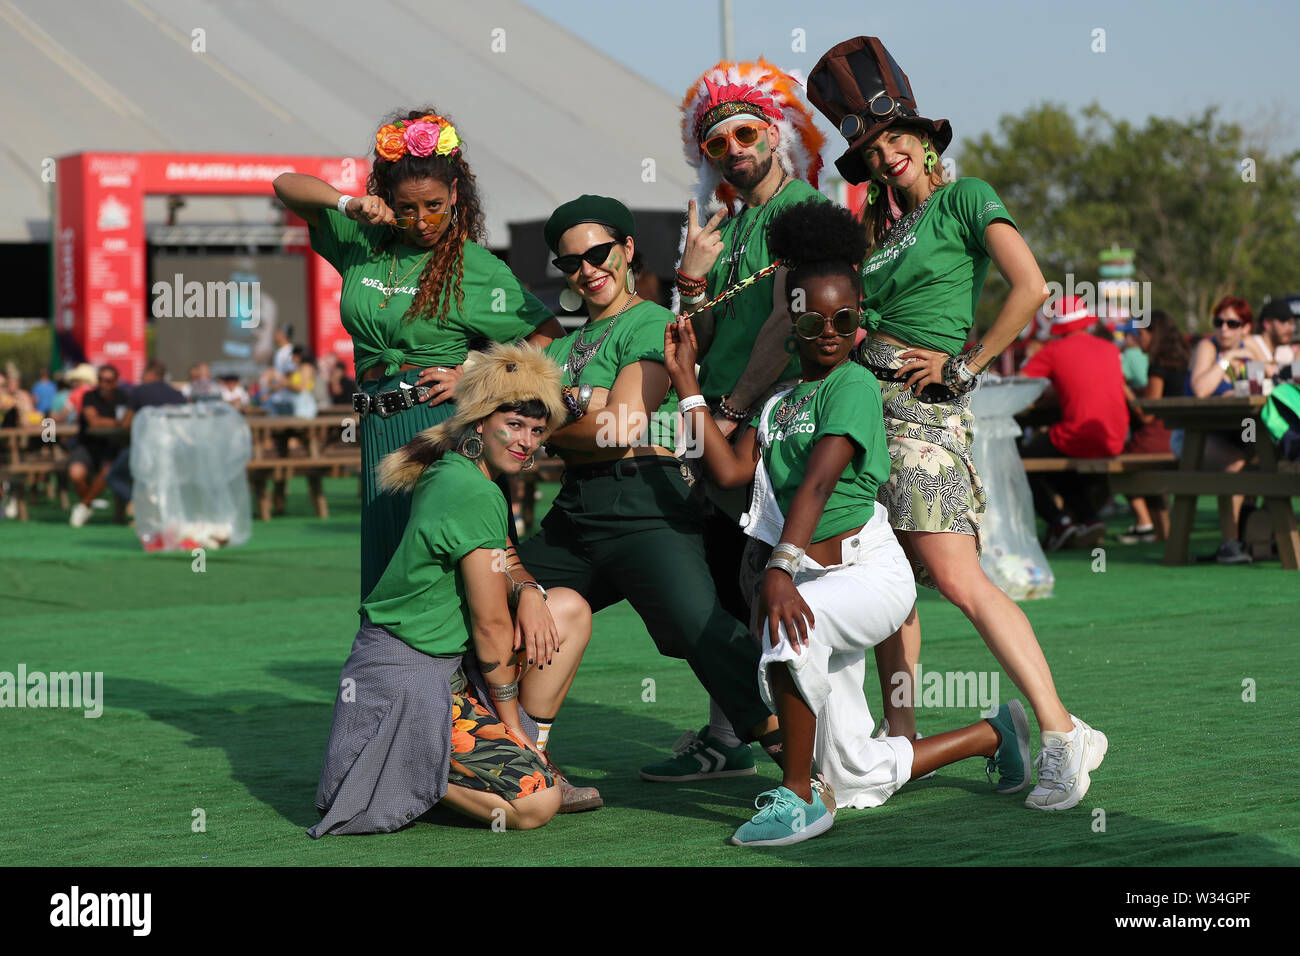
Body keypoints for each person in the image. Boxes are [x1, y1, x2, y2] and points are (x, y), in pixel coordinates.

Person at [663, 199, 1034, 845]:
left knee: (787, 636)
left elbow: (819, 479)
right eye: (814, 318)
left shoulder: (854, 387)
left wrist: (777, 567)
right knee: (856, 773)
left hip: (868, 574)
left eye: (845, 318)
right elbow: (725, 473)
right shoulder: (779, 403)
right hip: (811, 579)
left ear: (860, 321)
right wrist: (688, 386)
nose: (830, 330)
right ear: (793, 323)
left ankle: (797, 796)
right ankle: (994, 732)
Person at [806, 35, 1107, 810]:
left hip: (924, 416)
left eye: (896, 137)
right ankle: (901, 738)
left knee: (960, 579)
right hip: (862, 416)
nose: (886, 154)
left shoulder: (965, 197)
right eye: (871, 148)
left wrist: (964, 366)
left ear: (925, 136)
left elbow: (1031, 285)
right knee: (889, 586)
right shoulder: (874, 234)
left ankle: (1063, 729)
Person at [507, 195, 789, 798]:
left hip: (646, 504)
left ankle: (809, 766)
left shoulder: (653, 321)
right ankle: (520, 755)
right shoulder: (558, 349)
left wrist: (557, 421)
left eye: (598, 253)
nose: (586, 270)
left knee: (706, 632)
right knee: (504, 602)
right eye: (570, 263)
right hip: (577, 511)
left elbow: (623, 429)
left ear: (628, 249)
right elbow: (527, 433)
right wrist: (581, 413)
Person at [273, 108, 565, 598]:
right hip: (375, 425)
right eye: (407, 207)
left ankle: (487, 673)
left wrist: (474, 377)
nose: (422, 219)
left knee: (458, 569)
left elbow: (547, 334)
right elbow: (285, 185)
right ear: (387, 200)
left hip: (438, 425)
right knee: (390, 570)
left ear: (455, 195)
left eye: (434, 204)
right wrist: (349, 205)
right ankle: (401, 675)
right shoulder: (363, 243)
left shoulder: (476, 267)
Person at [309, 343, 592, 836]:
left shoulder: (460, 468)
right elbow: (489, 626)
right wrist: (512, 726)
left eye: (537, 430)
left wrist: (527, 589)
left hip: (440, 671)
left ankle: (522, 757)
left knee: (566, 608)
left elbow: (501, 552)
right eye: (515, 424)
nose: (527, 441)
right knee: (536, 806)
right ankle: (413, 772)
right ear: (481, 420)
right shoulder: (472, 488)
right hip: (411, 680)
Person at [643, 59, 831, 782]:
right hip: (714, 424)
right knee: (722, 581)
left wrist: (729, 409)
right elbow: (697, 337)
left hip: (775, 426)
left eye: (747, 133)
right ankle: (733, 732)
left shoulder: (804, 215)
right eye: (718, 144)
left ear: (774, 134)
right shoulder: (729, 224)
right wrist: (690, 277)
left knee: (783, 591)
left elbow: (787, 326)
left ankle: (822, 747)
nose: (735, 151)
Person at [1019, 295, 1130, 549]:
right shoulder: (1110, 347)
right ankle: (1087, 518)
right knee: (1054, 462)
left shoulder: (1052, 351)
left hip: (1079, 436)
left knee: (1023, 462)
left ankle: (1059, 523)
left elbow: (1019, 386)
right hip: (1115, 438)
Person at [1186, 296, 1261, 564]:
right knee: (1236, 462)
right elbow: (1201, 390)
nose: (1224, 329)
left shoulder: (1249, 347)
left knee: (1263, 456)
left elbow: (1270, 378)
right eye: (1219, 322)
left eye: (1232, 323)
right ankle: (1230, 545)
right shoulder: (1208, 347)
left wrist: (1256, 356)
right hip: (1192, 437)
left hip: (1235, 433)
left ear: (1246, 328)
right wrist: (1227, 359)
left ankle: (1260, 537)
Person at [1117, 310, 1191, 543]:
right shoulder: (1183, 358)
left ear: (1154, 334)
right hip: (1184, 432)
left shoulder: (1159, 365)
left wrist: (1125, 390)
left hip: (1162, 435)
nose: (1138, 340)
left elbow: (1148, 414)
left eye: (1141, 334)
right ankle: (1162, 533)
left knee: (1117, 467)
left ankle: (1149, 525)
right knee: (1147, 474)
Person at [106, 359, 187, 506]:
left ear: (150, 374)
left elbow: (125, 423)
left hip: (148, 449)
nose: (141, 377)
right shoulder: (178, 395)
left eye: (143, 373)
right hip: (175, 451)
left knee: (113, 475)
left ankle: (136, 504)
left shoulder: (140, 391)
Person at [68, 365, 128, 527]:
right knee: (75, 473)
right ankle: (87, 504)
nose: (103, 384)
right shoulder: (89, 396)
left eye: (108, 381)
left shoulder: (123, 397)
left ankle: (84, 505)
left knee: (109, 470)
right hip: (87, 445)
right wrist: (115, 422)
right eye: (100, 380)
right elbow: (93, 422)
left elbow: (127, 423)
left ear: (115, 382)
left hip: (112, 446)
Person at [1255, 297, 1297, 371]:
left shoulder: (1283, 351)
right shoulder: (1252, 344)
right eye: (1283, 321)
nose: (1290, 328)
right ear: (1267, 324)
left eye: (1292, 323)